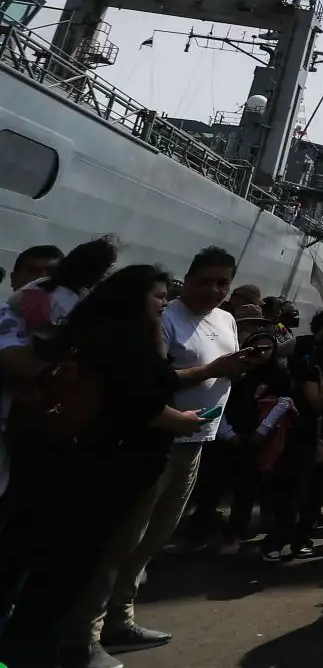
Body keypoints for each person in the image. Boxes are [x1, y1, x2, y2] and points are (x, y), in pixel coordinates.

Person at [67, 248, 266, 661]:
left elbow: (221, 365)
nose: (214, 290)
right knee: (123, 539)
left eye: (222, 283)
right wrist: (213, 370)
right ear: (188, 278)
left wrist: (238, 367)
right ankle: (84, 634)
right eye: (206, 280)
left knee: (153, 539)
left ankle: (120, 619)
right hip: (156, 441)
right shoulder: (165, 318)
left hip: (196, 441)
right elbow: (151, 379)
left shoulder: (226, 319)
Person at [0, 265, 201, 668]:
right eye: (158, 296)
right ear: (134, 298)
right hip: (100, 473)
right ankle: (31, 654)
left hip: (64, 464)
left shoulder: (88, 332)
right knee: (64, 576)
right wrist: (180, 421)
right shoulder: (124, 342)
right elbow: (144, 400)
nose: (165, 303)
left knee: (37, 567)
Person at [174, 305, 282, 554]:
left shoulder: (276, 372)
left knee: (246, 489)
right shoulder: (228, 363)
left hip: (256, 440)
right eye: (247, 326)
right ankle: (196, 535)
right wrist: (227, 433)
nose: (260, 348)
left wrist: (262, 431)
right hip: (223, 436)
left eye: (259, 327)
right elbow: (216, 397)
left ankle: (234, 534)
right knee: (211, 487)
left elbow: (283, 400)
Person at [263, 327, 323, 560]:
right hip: (308, 440)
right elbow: (315, 405)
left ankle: (302, 539)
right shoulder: (314, 373)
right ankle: (274, 543)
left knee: (317, 496)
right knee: (296, 493)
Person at [12, 237, 117, 338]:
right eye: (33, 271)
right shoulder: (74, 300)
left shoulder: (41, 284)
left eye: (50, 271)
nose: (42, 275)